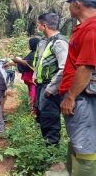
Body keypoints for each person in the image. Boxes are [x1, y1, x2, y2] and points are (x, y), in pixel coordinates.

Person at [59, 0, 96, 175]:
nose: (69, 9)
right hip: (82, 97)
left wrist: (71, 97)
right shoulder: (84, 28)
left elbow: (86, 67)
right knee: (78, 142)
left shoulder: (91, 28)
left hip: (82, 98)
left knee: (85, 147)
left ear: (77, 4)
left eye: (69, 5)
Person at [33, 13, 68, 145]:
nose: (37, 27)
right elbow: (40, 61)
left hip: (50, 87)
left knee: (50, 117)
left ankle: (51, 150)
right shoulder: (43, 41)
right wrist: (35, 76)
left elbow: (64, 68)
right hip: (41, 86)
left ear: (44, 26)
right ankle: (46, 146)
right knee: (42, 116)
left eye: (38, 24)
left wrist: (51, 88)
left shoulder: (59, 42)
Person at [4, 37, 41, 113]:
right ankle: (32, 110)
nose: (28, 45)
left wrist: (19, 61)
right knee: (31, 95)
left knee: (33, 97)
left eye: (29, 43)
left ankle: (34, 112)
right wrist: (11, 63)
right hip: (29, 80)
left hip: (32, 80)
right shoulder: (32, 53)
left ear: (33, 44)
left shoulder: (35, 54)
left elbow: (29, 64)